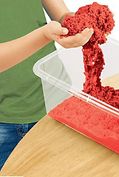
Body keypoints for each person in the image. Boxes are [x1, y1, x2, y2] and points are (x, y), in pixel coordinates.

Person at [0, 0, 94, 170]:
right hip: (5, 121)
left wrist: (71, 21)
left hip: (57, 101)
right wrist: (44, 35)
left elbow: (60, 14)